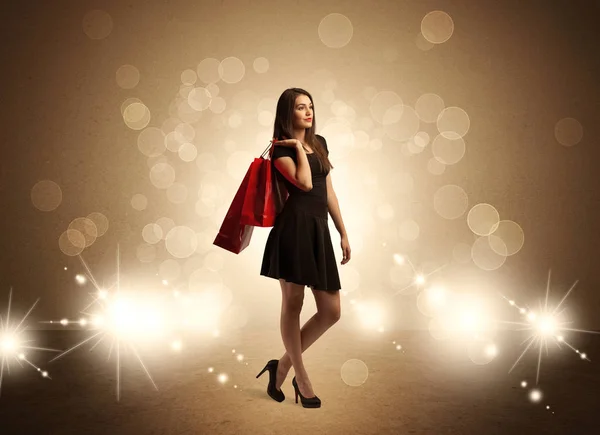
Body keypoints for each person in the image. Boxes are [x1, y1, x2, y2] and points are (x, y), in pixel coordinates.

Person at [256, 88, 351, 408]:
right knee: (293, 305)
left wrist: (342, 231)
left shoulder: (320, 142)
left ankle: (281, 366)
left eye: (310, 106)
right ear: (288, 113)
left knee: (331, 311)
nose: (308, 112)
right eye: (300, 108)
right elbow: (306, 184)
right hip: (293, 232)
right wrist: (297, 147)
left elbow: (327, 190)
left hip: (318, 231)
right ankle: (303, 378)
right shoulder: (280, 152)